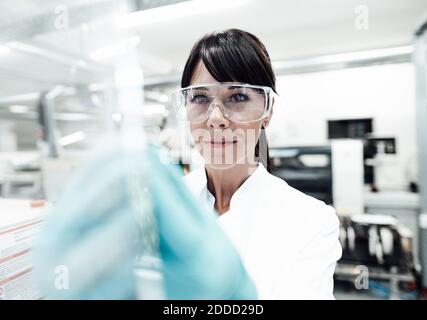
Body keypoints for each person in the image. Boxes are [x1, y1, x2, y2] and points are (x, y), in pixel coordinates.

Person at [174, 29, 342, 299]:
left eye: (238, 97)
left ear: (268, 111)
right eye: (200, 98)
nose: (216, 118)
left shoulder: (311, 221)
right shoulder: (167, 204)